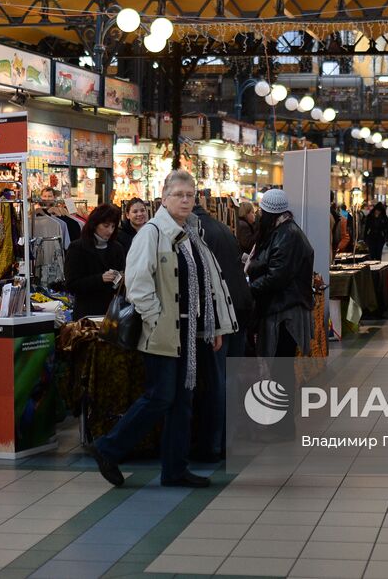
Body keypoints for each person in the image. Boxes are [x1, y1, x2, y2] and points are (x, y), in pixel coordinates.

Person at [88, 170, 238, 488]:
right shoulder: (153, 233)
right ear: (164, 197)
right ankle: (107, 447)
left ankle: (174, 469)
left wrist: (212, 326)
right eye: (179, 195)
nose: (185, 200)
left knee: (182, 401)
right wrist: (157, 320)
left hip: (189, 333)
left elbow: (208, 283)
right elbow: (138, 283)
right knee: (160, 397)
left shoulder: (191, 234)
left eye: (190, 195)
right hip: (163, 333)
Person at [193, 193, 253, 461]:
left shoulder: (196, 233)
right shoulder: (222, 228)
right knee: (231, 376)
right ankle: (230, 439)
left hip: (220, 314)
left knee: (217, 380)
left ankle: (213, 444)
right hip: (240, 308)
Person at [248, 188, 315, 381]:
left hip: (285, 313)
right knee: (280, 367)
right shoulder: (283, 230)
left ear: (269, 213)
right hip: (283, 308)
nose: (259, 214)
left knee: (281, 368)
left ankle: (283, 410)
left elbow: (277, 276)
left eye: (261, 211)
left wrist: (248, 289)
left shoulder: (287, 235)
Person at [63, 204, 126, 319]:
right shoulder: (77, 247)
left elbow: (121, 281)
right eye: (106, 226)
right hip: (86, 314)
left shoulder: (117, 248)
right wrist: (100, 278)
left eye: (113, 226)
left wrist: (121, 279)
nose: (110, 231)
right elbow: (71, 284)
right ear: (95, 224)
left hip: (111, 313)